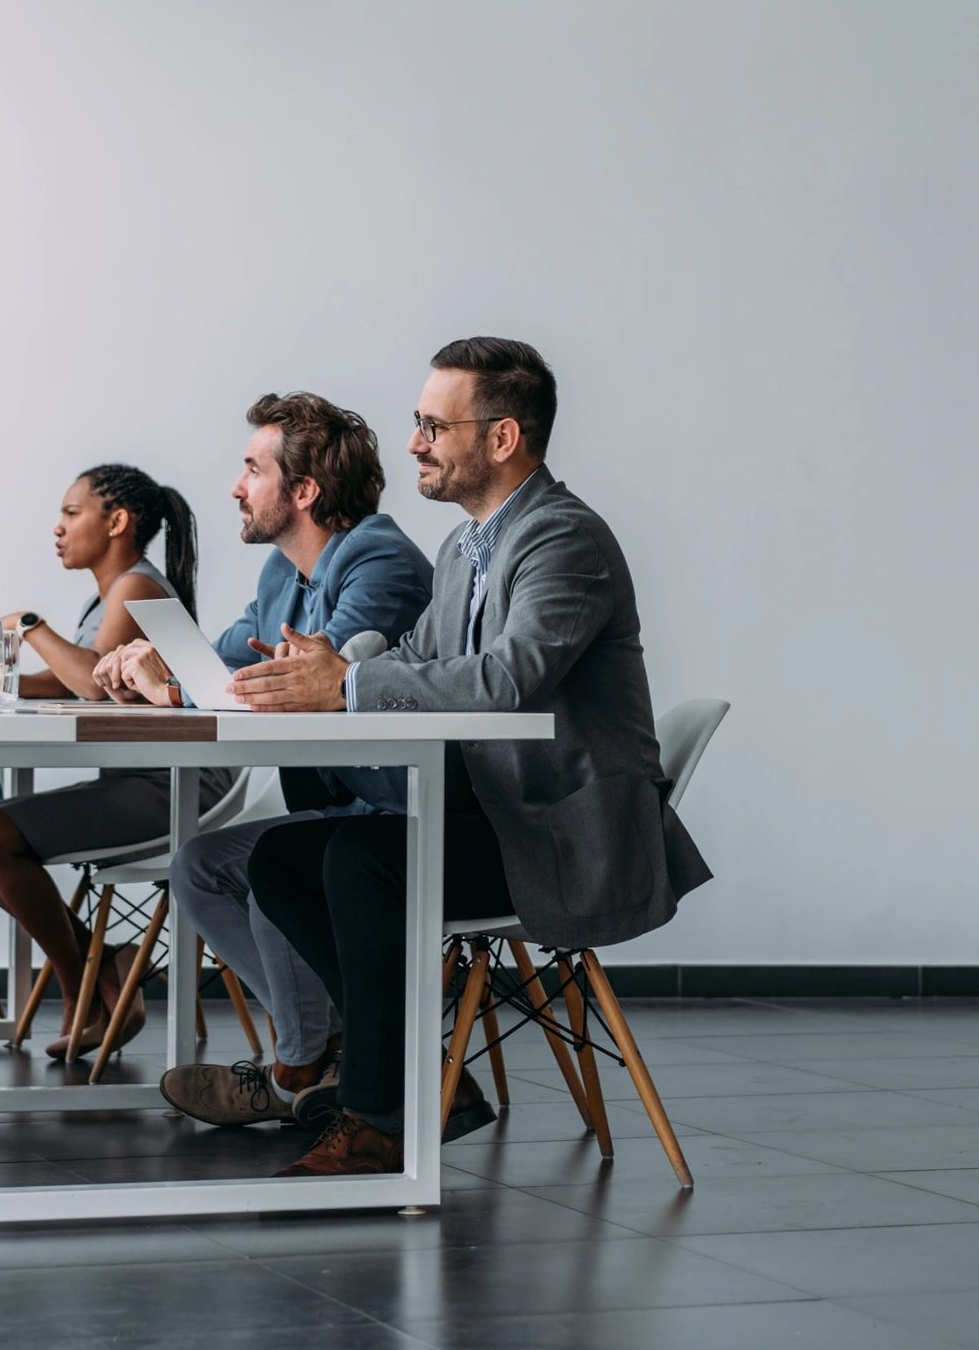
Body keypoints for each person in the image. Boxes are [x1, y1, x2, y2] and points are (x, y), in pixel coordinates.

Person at [228, 337, 713, 1175]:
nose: (413, 441)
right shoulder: (465, 549)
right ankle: (421, 1084)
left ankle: (381, 1113)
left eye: (431, 425)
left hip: (564, 837)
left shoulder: (564, 540)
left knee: (364, 862)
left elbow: (506, 677)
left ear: (501, 438)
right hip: (499, 814)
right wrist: (336, 661)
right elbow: (415, 652)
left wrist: (347, 684)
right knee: (282, 859)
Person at [116, 394, 432, 1129]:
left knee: (269, 866)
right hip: (340, 806)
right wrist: (150, 657)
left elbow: (302, 688)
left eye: (251, 469)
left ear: (304, 492)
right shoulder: (283, 574)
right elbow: (225, 657)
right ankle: (327, 1047)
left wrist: (174, 681)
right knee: (201, 865)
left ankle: (297, 1065)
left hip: (396, 813)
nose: (235, 486)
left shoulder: (379, 560)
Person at [0, 465, 219, 1060]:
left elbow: (90, 686)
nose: (58, 527)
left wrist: (30, 626)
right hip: (140, 781)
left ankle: (81, 981)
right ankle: (103, 965)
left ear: (117, 522)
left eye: (72, 513)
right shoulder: (112, 593)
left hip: (174, 788)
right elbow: (75, 679)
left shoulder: (137, 587)